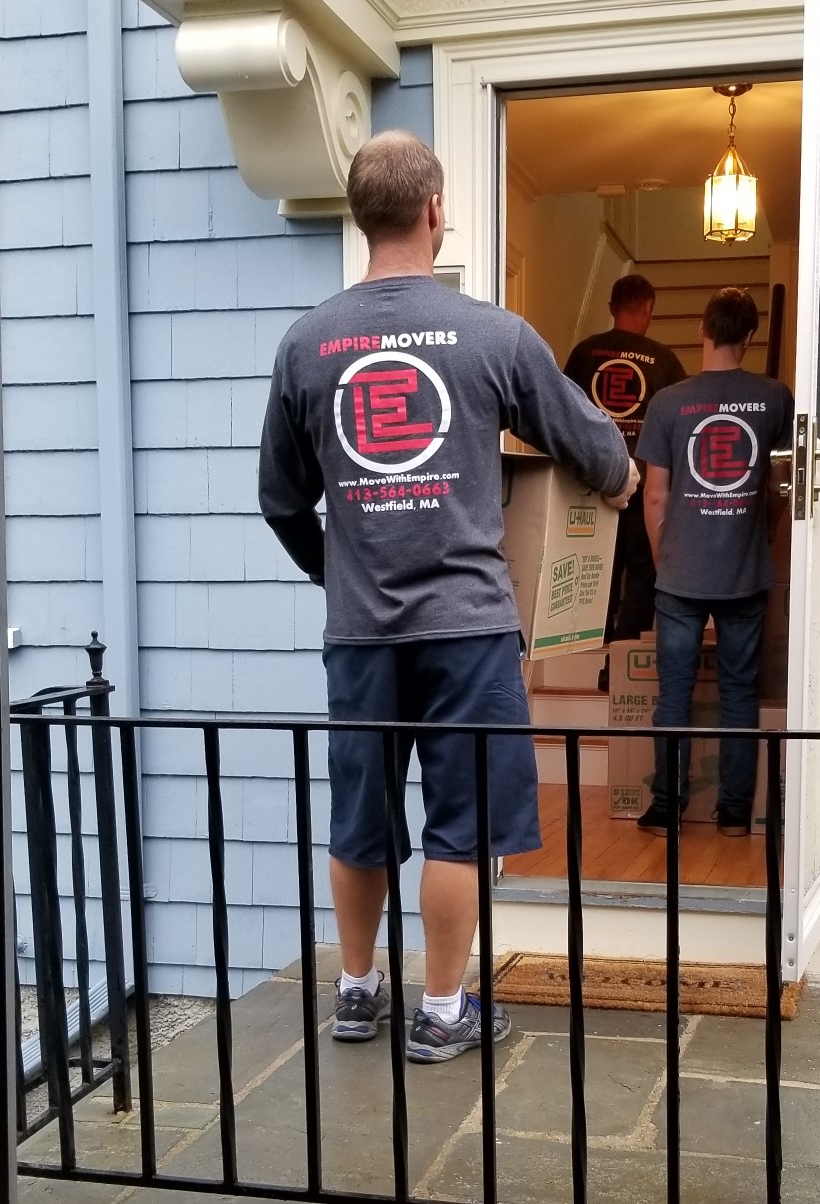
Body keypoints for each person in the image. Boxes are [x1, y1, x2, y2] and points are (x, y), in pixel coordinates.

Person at [258, 131, 636, 1064]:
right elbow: (593, 447)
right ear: (434, 212)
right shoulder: (493, 334)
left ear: (362, 216)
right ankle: (439, 1012)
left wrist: (339, 574)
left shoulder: (305, 344)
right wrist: (623, 478)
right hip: (468, 630)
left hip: (360, 635)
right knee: (459, 827)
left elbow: (279, 500)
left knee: (360, 820)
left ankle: (356, 994)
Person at [634, 287, 793, 837]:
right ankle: (734, 815)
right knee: (739, 691)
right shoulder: (775, 399)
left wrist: (665, 561)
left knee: (673, 692)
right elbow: (781, 486)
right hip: (744, 571)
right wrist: (760, 534)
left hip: (680, 571)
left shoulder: (668, 403)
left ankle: (666, 808)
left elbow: (655, 496)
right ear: (749, 337)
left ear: (703, 330)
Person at [564, 274, 685, 683]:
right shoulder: (664, 360)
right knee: (645, 576)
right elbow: (681, 429)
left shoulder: (584, 354)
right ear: (648, 309)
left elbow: (562, 416)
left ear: (611, 307)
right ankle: (619, 661)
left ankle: (589, 657)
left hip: (591, 485)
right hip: (646, 487)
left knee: (594, 573)